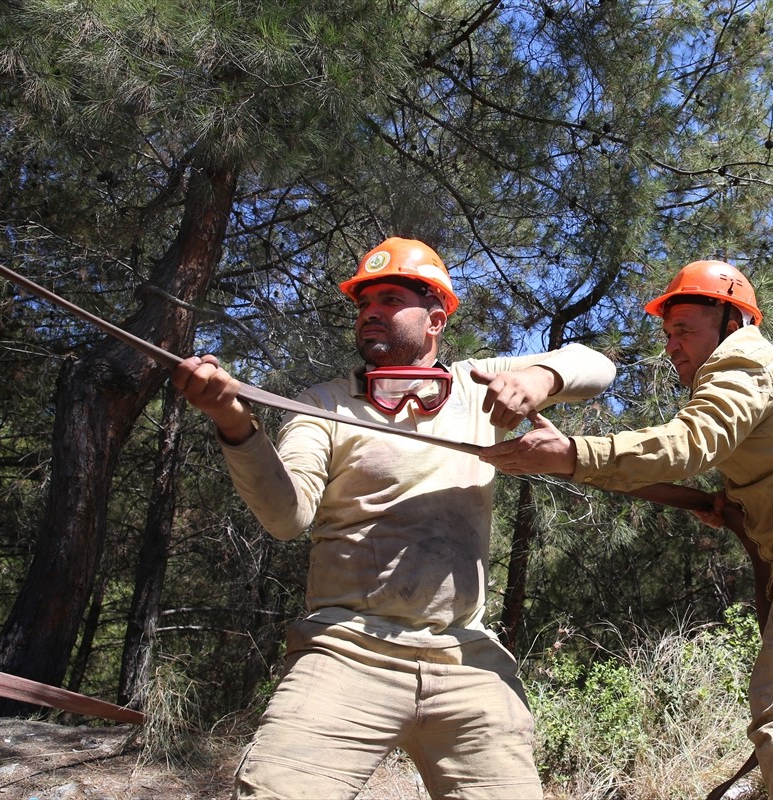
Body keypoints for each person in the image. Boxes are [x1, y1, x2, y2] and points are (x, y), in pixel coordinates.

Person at [170, 236, 616, 800]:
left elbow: (597, 366)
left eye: (389, 300)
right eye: (364, 303)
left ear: (435, 321)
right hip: (346, 651)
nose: (370, 312)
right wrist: (232, 421)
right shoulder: (321, 405)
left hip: (466, 659)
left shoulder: (477, 384)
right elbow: (286, 518)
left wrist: (537, 379)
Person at [480, 259, 773, 800]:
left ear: (732, 322)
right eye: (668, 335)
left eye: (685, 330)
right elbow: (752, 469)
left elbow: (689, 445)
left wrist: (574, 453)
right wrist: (721, 501)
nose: (673, 346)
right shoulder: (762, 376)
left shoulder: (740, 362)